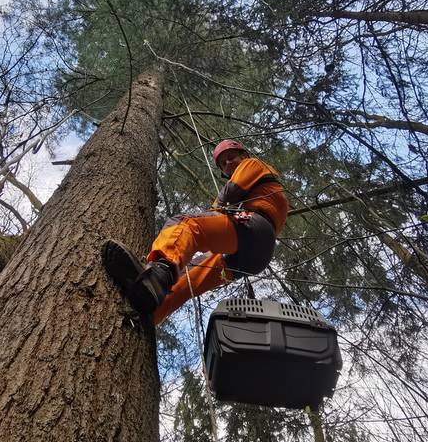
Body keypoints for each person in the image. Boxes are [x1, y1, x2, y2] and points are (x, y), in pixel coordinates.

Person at [102, 139, 289, 325]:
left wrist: (213, 212)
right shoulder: (254, 192)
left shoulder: (253, 164)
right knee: (193, 275)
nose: (228, 163)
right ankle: (148, 313)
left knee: (184, 224)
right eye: (223, 163)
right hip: (256, 256)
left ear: (244, 155)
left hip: (254, 226)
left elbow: (230, 193)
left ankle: (159, 274)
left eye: (231, 157)